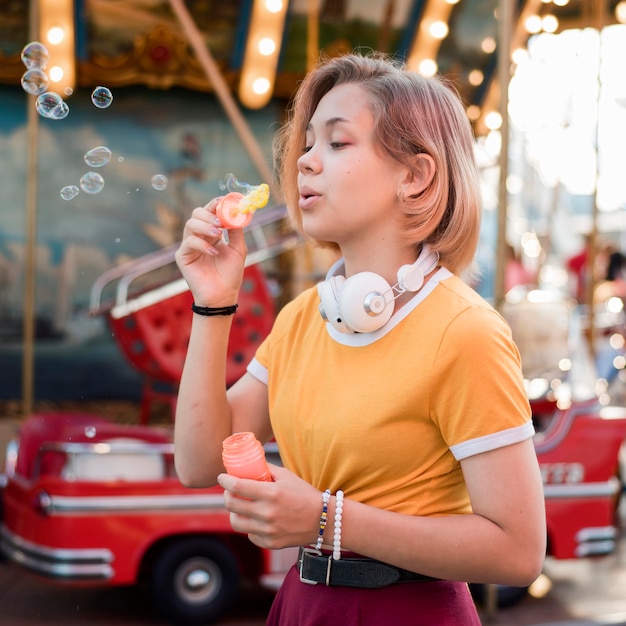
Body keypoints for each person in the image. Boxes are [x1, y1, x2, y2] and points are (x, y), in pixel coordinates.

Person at [174, 52, 546, 625]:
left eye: (337, 143)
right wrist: (212, 299)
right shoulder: (303, 318)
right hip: (303, 603)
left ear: (416, 175)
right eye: (307, 144)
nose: (305, 162)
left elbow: (519, 552)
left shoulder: (464, 331)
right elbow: (199, 462)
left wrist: (327, 520)